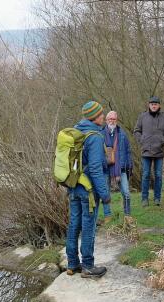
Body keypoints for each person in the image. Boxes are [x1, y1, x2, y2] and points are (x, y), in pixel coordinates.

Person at [66, 101, 111, 278]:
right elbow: (95, 169)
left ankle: (72, 264)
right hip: (88, 190)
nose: (103, 117)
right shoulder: (94, 136)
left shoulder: (76, 132)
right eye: (101, 114)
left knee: (73, 225)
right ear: (94, 116)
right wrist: (105, 194)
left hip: (73, 186)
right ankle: (88, 266)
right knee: (88, 227)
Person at [133, 96, 164, 207]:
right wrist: (142, 140)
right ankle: (144, 198)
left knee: (158, 176)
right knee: (145, 175)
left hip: (159, 151)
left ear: (159, 105)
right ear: (149, 105)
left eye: (156, 104)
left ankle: (157, 198)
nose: (154, 106)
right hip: (146, 151)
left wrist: (161, 141)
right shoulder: (142, 116)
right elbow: (136, 131)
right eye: (152, 104)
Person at [100, 111, 133, 220]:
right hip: (105, 168)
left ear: (116, 120)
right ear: (106, 120)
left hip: (121, 168)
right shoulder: (100, 134)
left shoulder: (122, 134)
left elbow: (128, 151)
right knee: (105, 193)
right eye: (110, 119)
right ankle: (107, 215)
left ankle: (127, 215)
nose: (112, 121)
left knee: (126, 193)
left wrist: (129, 165)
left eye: (114, 119)